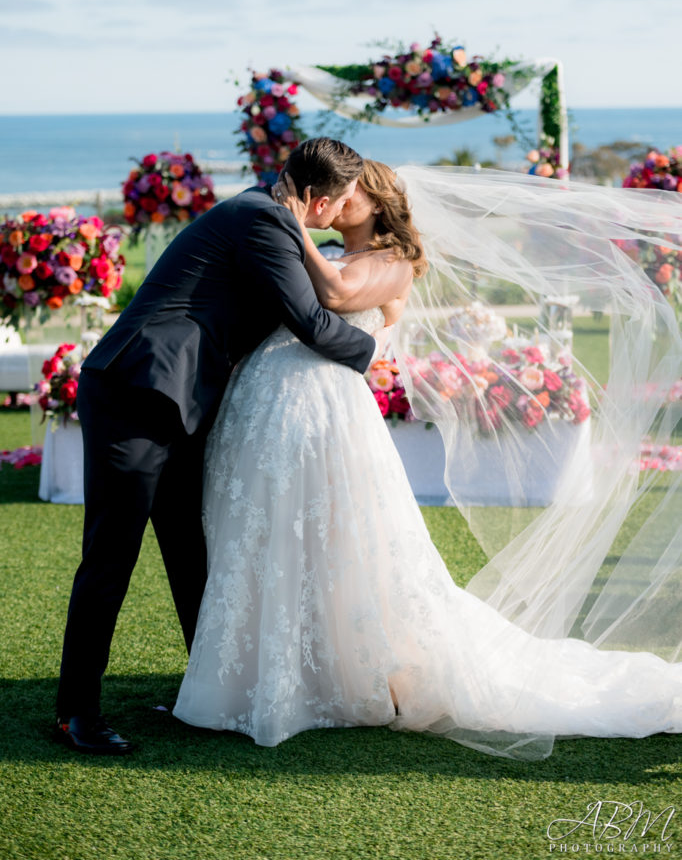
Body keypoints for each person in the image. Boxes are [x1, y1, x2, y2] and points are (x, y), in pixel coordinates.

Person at [173, 159, 682, 759]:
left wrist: (294, 227)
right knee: (279, 533)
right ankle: (282, 669)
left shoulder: (392, 263)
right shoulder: (330, 243)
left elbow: (335, 294)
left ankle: (343, 676)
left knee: (337, 538)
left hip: (323, 406)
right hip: (269, 402)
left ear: (379, 199)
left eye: (355, 188)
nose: (342, 196)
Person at [55, 137, 376, 755]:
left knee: (191, 548)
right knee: (111, 556)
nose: (340, 215)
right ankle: (76, 712)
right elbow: (311, 320)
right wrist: (376, 351)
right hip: (136, 391)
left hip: (177, 400)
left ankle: (209, 694)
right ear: (315, 198)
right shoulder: (261, 219)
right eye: (338, 205)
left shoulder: (264, 213)